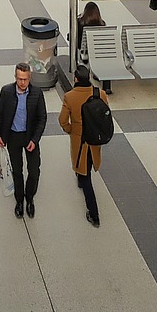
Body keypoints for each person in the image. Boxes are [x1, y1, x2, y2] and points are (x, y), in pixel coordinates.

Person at [0, 63, 47, 218]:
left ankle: (30, 198)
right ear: (15, 77)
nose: (22, 82)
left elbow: (42, 118)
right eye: (19, 79)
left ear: (30, 78)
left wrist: (35, 140)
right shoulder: (6, 92)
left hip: (30, 137)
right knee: (17, 171)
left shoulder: (36, 94)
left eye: (25, 79)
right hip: (13, 136)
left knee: (34, 170)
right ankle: (19, 200)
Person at [57, 65, 107, 227]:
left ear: (76, 79)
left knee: (85, 176)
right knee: (89, 162)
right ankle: (81, 176)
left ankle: (94, 214)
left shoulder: (70, 97)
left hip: (80, 142)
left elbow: (62, 120)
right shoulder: (100, 94)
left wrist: (71, 130)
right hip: (95, 140)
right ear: (89, 77)